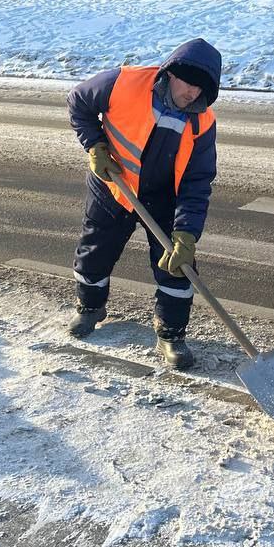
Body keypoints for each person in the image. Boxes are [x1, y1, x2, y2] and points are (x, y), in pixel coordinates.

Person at [66, 38, 221, 370]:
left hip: (164, 197)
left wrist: (187, 234)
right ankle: (90, 307)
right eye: (189, 83)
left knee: (177, 265)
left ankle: (171, 334)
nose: (193, 93)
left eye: (201, 89)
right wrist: (95, 145)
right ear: (171, 73)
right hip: (114, 185)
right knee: (95, 250)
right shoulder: (123, 83)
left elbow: (197, 181)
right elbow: (78, 101)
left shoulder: (202, 122)